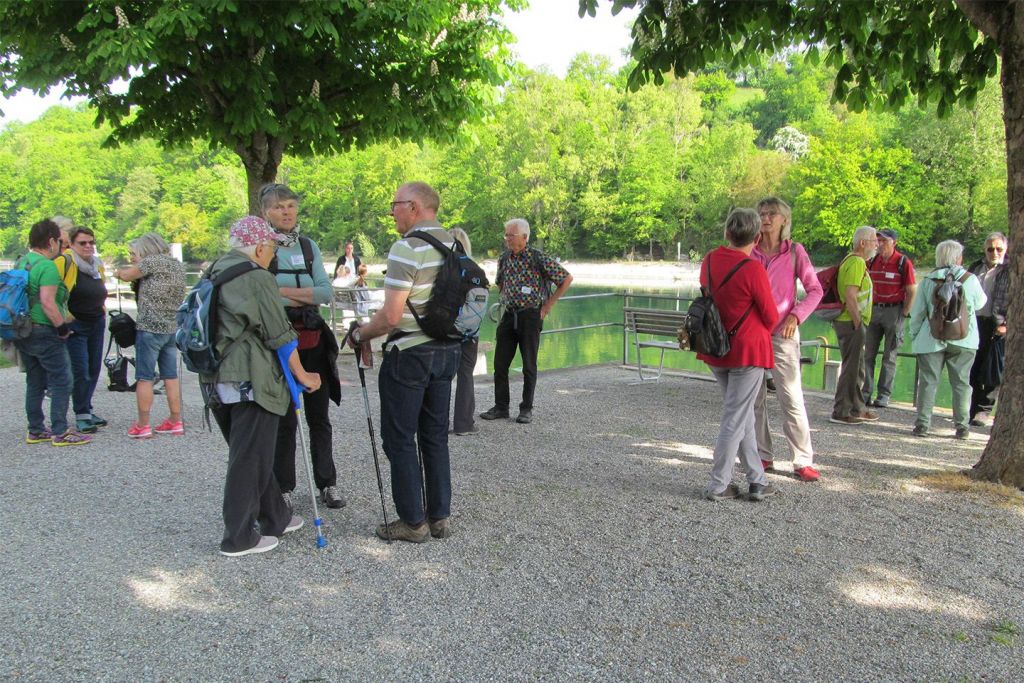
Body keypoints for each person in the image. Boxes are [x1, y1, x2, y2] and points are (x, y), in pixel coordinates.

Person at [346, 181, 461, 543]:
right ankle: (439, 517)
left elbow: (391, 317)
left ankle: (413, 522)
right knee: (435, 436)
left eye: (395, 204)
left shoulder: (407, 248)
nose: (391, 212)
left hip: (410, 354)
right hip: (447, 352)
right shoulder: (455, 244)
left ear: (413, 207)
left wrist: (360, 335)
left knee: (398, 438)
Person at [205, 216, 317, 557]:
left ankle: (275, 516)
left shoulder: (214, 271)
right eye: (270, 247)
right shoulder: (255, 277)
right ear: (257, 247)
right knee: (248, 457)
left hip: (215, 376)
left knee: (252, 451)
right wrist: (304, 376)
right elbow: (280, 335)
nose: (273, 255)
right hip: (249, 377)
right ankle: (238, 537)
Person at [260, 183, 345, 510]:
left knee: (319, 417)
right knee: (284, 418)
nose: (286, 212)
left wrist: (283, 293)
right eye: (279, 207)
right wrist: (298, 293)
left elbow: (325, 293)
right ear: (266, 211)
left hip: (312, 341)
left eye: (291, 206)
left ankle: (328, 482)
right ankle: (283, 486)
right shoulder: (262, 248)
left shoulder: (308, 247)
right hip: (278, 342)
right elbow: (263, 291)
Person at [700, 208, 779, 502]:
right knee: (735, 418)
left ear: (726, 233)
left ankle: (757, 480)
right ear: (757, 237)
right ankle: (719, 484)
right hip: (748, 352)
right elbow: (770, 317)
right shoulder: (753, 269)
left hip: (716, 349)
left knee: (742, 415)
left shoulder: (709, 261)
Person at [751, 197, 824, 482]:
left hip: (784, 333)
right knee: (754, 398)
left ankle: (802, 460)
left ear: (784, 220)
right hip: (752, 334)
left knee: (791, 397)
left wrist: (796, 315)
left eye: (772, 214)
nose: (766, 218)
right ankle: (762, 455)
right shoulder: (749, 251)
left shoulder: (794, 252)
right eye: (762, 213)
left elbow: (815, 290)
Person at [479, 218, 572, 425]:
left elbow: (566, 279)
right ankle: (501, 407)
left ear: (524, 237)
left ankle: (526, 409)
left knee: (529, 365)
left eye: (511, 235)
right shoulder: (504, 258)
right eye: (506, 235)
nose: (507, 239)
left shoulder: (537, 257)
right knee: (500, 364)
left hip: (530, 316)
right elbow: (500, 283)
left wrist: (547, 306)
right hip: (509, 314)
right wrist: (506, 299)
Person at [14, 219, 92, 447]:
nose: (61, 245)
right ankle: (61, 430)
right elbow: (48, 303)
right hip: (43, 330)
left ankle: (36, 429)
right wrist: (63, 328)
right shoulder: (47, 266)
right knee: (62, 380)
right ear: (50, 241)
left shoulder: (22, 262)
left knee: (35, 380)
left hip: (23, 329)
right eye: (59, 241)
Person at [908, 240, 987, 439]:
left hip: (931, 338)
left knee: (928, 382)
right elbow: (980, 304)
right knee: (961, 383)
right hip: (964, 338)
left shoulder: (927, 280)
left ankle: (923, 425)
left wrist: (914, 336)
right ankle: (962, 427)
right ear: (959, 258)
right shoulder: (970, 279)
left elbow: (917, 313)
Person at [114, 233, 187, 438]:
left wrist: (116, 273)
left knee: (144, 377)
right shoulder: (176, 265)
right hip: (170, 328)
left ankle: (143, 424)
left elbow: (127, 275)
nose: (132, 258)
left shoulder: (153, 262)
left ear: (145, 250)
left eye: (133, 253)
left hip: (149, 328)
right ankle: (175, 420)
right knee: (170, 376)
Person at [862, 228, 917, 408]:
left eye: (884, 241)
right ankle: (866, 391)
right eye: (878, 240)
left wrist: (905, 312)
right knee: (868, 353)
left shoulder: (902, 262)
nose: (880, 244)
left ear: (894, 242)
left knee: (890, 355)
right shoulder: (872, 261)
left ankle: (884, 394)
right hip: (874, 310)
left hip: (894, 311)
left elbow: (911, 289)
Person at [830, 226, 879, 425]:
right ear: (863, 243)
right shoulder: (857, 262)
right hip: (850, 322)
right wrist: (858, 323)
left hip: (850, 321)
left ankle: (858, 407)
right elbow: (850, 295)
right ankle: (841, 411)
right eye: (874, 240)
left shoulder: (853, 262)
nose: (877, 244)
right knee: (851, 368)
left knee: (857, 367)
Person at [61, 227, 109, 433]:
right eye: (83, 243)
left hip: (96, 322)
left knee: (94, 368)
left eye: (91, 242)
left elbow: (100, 288)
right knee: (80, 370)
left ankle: (87, 408)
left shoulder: (96, 265)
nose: (88, 246)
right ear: (71, 244)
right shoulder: (65, 262)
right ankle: (81, 413)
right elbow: (54, 292)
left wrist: (102, 307)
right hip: (76, 324)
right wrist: (64, 318)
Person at [967, 232, 1009, 426]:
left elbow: (1016, 298)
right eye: (990, 248)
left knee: (993, 368)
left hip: (997, 323)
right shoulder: (976, 267)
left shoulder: (1010, 269)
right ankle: (973, 408)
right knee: (973, 366)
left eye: (999, 248)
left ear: (1005, 249)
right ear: (985, 249)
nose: (994, 252)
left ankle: (984, 411)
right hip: (974, 321)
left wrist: (1006, 324)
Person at [449, 227, 479, 436]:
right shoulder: (474, 269)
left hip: (444, 330)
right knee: (466, 375)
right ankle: (464, 423)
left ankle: (436, 423)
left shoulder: (441, 268)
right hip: (469, 331)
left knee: (440, 377)